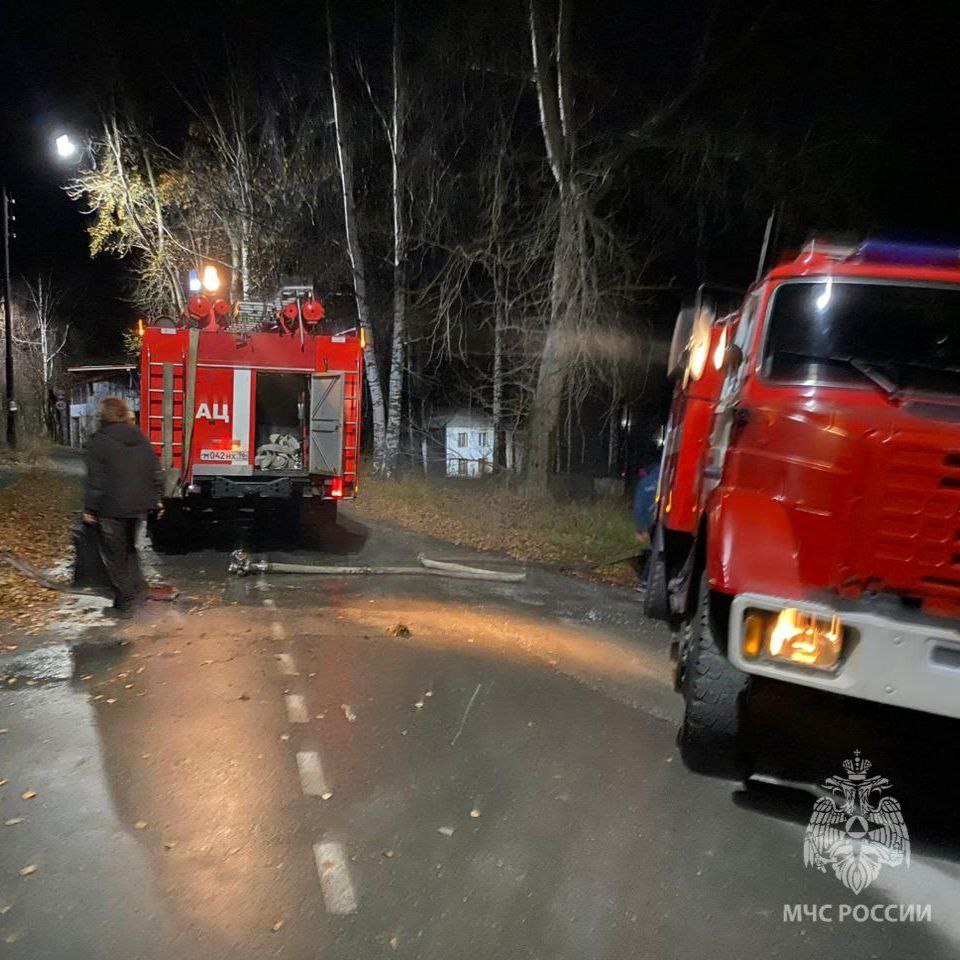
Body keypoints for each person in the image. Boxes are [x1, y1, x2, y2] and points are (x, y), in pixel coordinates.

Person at [83, 397, 162, 616]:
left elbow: (96, 481)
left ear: (105, 415)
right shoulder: (140, 437)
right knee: (129, 548)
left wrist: (90, 509)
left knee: (114, 555)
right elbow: (155, 470)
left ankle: (125, 600)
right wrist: (157, 498)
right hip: (138, 505)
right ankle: (139, 590)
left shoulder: (98, 441)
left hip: (111, 506)